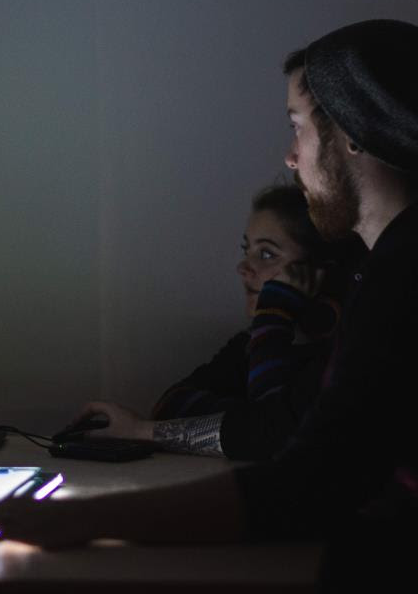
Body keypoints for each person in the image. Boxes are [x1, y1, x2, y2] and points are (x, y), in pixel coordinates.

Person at [0, 19, 418, 594]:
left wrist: (72, 519)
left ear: (351, 135)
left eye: (297, 127)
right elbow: (296, 424)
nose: (290, 157)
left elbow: (310, 482)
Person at [70, 184, 360, 460]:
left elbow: (270, 436)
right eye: (246, 251)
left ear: (320, 271)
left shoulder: (341, 356)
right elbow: (171, 405)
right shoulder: (250, 343)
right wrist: (244, 421)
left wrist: (274, 313)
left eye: (267, 254)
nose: (243, 268)